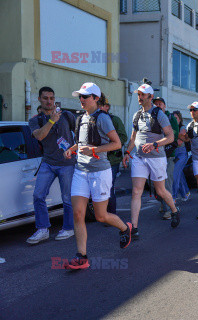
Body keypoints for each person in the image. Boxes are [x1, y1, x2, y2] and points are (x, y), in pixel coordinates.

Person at [63, 82, 132, 269]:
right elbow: (81, 143)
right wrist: (72, 149)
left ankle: (125, 228)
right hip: (81, 171)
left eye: (85, 97)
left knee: (101, 216)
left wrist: (94, 150)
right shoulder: (80, 118)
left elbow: (117, 144)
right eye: (80, 96)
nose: (81, 100)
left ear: (95, 98)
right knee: (78, 213)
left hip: (100, 172)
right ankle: (82, 256)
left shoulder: (103, 118)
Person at [122, 84, 180, 237]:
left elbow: (171, 137)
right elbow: (134, 137)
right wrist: (128, 151)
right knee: (136, 191)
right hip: (139, 158)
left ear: (150, 97)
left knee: (160, 190)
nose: (139, 97)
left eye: (143, 95)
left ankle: (174, 210)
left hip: (156, 158)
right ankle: (134, 228)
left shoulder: (159, 114)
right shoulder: (137, 115)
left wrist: (155, 144)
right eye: (138, 94)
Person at [27, 87, 76, 244]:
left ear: (54, 99)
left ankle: (68, 228)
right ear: (40, 99)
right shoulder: (35, 120)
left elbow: (80, 132)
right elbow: (40, 136)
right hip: (48, 163)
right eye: (45, 98)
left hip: (67, 163)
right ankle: (43, 229)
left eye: (51, 98)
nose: (49, 101)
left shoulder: (67, 115)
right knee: (38, 195)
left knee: (67, 198)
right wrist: (51, 121)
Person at [98, 94, 128, 217]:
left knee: (109, 187)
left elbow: (123, 137)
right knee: (101, 188)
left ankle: (111, 214)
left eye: (102, 106)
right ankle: (102, 213)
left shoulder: (114, 120)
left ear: (107, 107)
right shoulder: (94, 119)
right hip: (98, 159)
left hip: (112, 160)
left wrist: (110, 144)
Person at [152, 97, 179, 219]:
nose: (158, 106)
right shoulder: (152, 116)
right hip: (154, 155)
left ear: (165, 106)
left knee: (166, 184)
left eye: (160, 104)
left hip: (168, 155)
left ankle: (170, 209)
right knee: (155, 185)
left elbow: (174, 134)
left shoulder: (170, 118)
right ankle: (164, 204)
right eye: (156, 104)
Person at [171, 110, 190, 201]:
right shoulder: (171, 128)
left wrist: (172, 135)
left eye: (176, 118)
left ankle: (173, 197)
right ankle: (185, 193)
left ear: (180, 119)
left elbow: (180, 140)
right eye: (173, 118)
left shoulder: (182, 127)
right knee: (179, 174)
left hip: (181, 154)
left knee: (174, 174)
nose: (174, 120)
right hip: (173, 154)